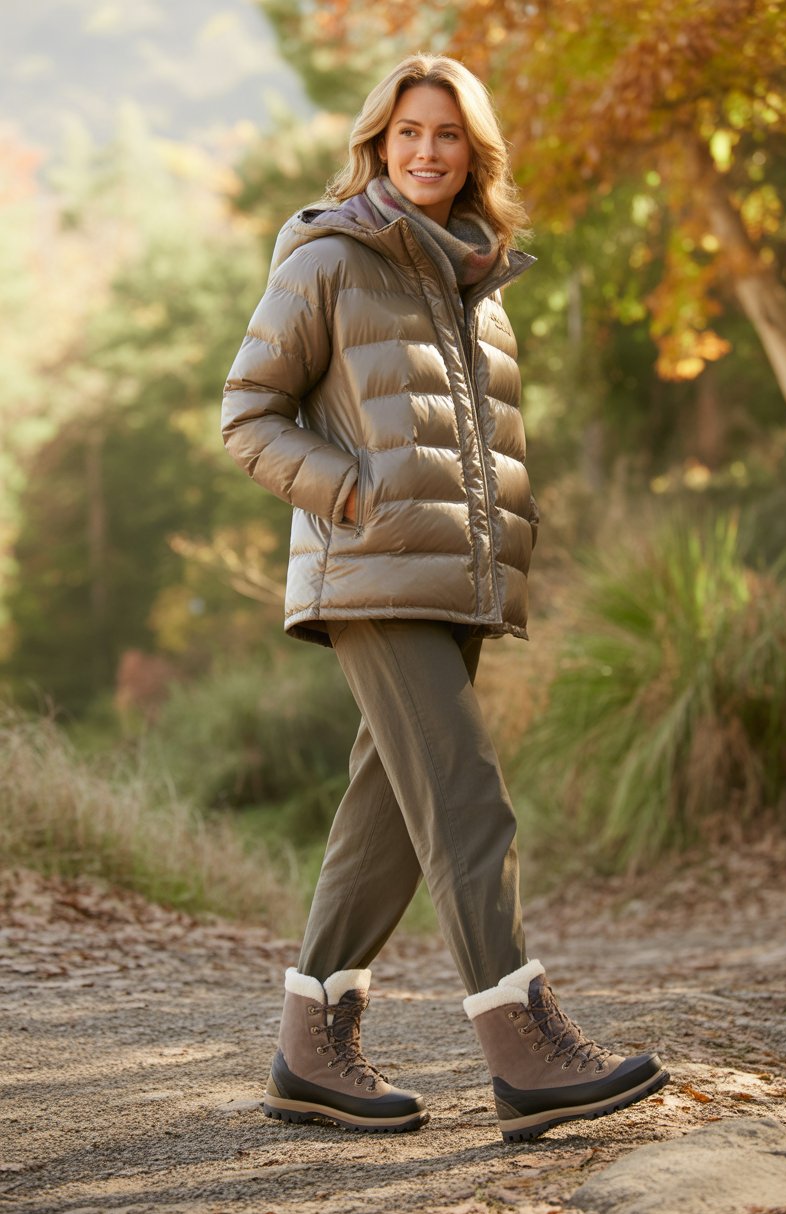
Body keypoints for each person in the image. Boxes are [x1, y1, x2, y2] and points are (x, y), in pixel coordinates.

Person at [221, 53, 669, 1143]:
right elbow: (248, 415)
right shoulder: (330, 256)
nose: (426, 151)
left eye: (447, 135)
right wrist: (356, 493)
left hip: (453, 579)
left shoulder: (480, 279)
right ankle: (523, 1044)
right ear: (377, 144)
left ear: (474, 153)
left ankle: (309, 1044)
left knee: (388, 813)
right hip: (374, 569)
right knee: (467, 799)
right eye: (408, 133)